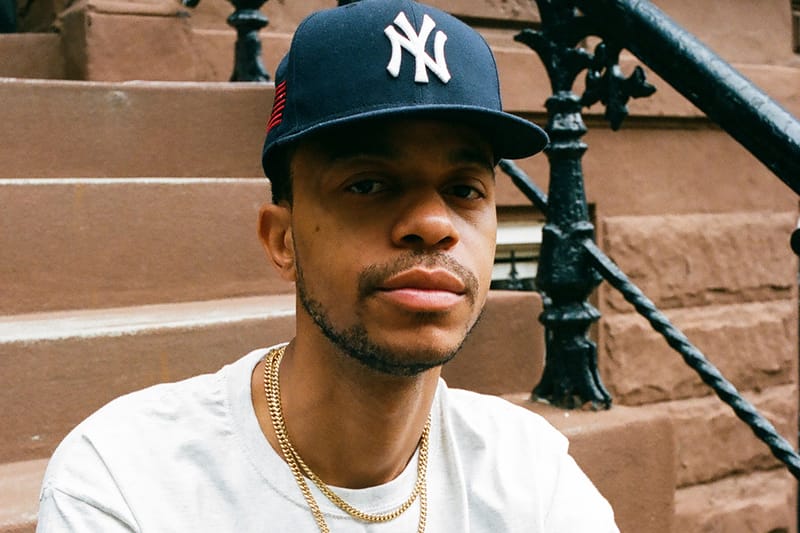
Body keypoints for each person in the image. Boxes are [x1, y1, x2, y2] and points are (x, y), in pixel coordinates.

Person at [37, 0, 619, 531]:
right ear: (282, 240)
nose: (434, 223)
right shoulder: (126, 482)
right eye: (368, 184)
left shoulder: (533, 477)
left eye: (465, 189)